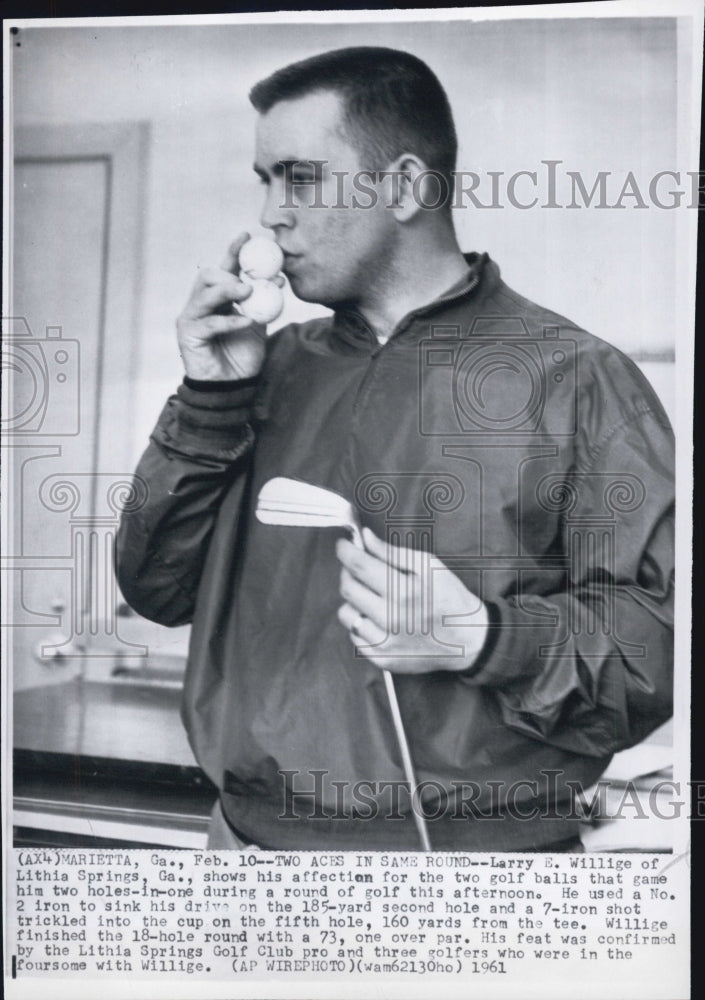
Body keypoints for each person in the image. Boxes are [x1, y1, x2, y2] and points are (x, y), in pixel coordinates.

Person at [117, 47, 674, 851]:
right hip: (246, 855)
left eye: (299, 178)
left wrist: (483, 637)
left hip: (479, 877)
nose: (272, 213)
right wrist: (209, 399)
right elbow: (153, 590)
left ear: (407, 186)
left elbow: (658, 650)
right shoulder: (262, 370)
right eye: (264, 179)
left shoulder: (578, 380)